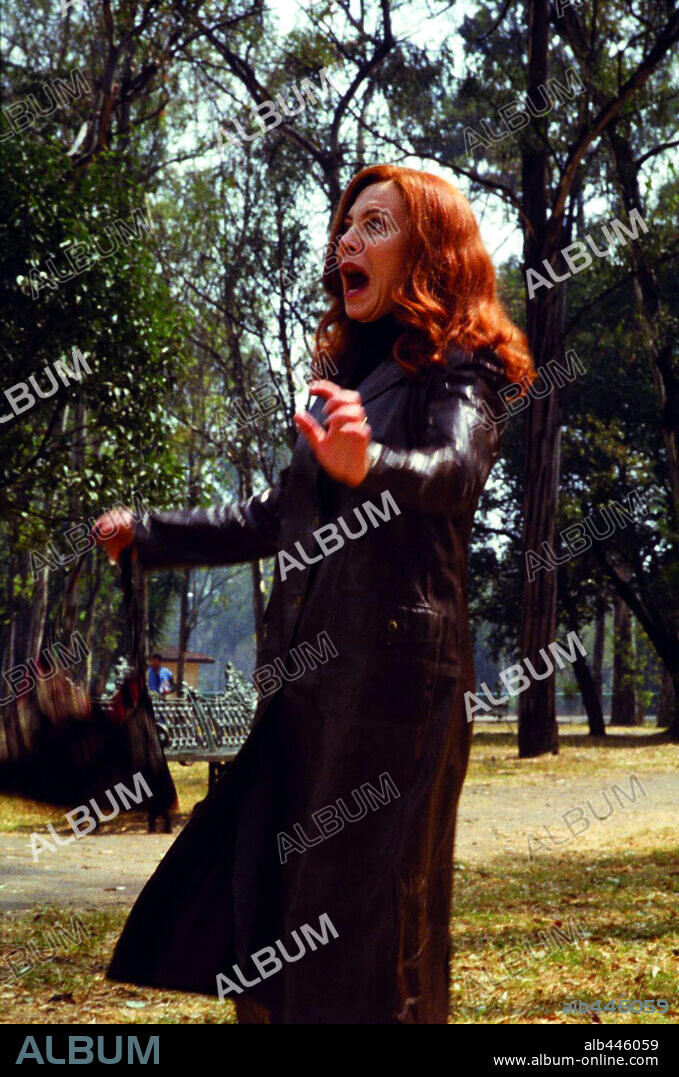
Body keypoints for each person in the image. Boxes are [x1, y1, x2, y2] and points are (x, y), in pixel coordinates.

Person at [92, 164, 535, 1024]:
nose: (347, 242)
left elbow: (453, 471)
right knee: (259, 901)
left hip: (393, 696)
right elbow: (274, 515)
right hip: (305, 688)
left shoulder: (461, 365)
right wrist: (149, 530)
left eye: (375, 225)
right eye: (345, 227)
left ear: (430, 252)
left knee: (362, 923)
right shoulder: (350, 378)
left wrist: (370, 463)